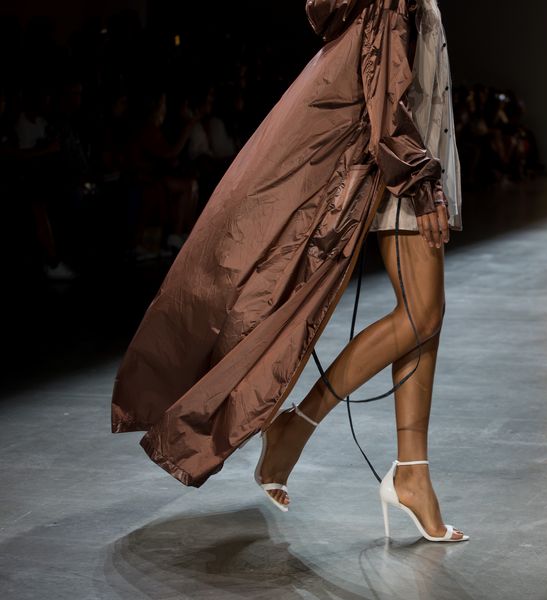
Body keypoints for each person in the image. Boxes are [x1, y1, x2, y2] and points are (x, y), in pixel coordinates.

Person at [111, 0, 467, 543]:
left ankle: (412, 472)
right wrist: (419, 179)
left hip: (419, 153)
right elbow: (384, 89)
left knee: (424, 318)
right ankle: (295, 428)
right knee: (423, 313)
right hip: (401, 164)